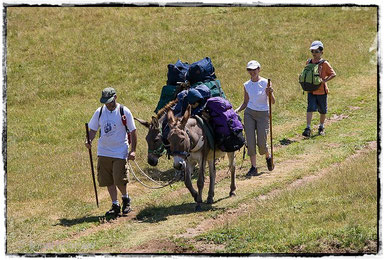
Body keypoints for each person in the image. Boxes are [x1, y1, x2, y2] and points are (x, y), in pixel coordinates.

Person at [85, 87, 137, 218]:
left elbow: (133, 131)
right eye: (106, 102)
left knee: (120, 179)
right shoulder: (100, 112)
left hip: (120, 151)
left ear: (116, 98)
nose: (108, 104)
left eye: (110, 101)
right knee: (108, 180)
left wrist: (133, 150)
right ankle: (115, 204)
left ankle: (126, 200)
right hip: (103, 151)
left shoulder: (124, 111)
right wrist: (89, 140)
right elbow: (92, 129)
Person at [235, 60, 275, 176]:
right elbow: (245, 102)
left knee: (262, 144)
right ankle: (253, 167)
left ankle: (268, 156)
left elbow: (273, 102)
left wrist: (270, 93)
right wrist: (236, 110)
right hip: (249, 113)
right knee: (250, 142)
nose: (252, 72)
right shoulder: (246, 85)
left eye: (254, 69)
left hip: (263, 114)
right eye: (250, 70)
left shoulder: (265, 82)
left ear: (259, 69)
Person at [302, 41, 336, 137]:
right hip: (311, 90)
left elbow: (333, 74)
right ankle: (308, 128)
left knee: (322, 110)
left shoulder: (325, 63)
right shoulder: (308, 62)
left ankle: (321, 126)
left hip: (322, 91)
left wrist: (325, 81)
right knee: (310, 108)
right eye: (313, 51)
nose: (314, 53)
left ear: (321, 52)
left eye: (316, 51)